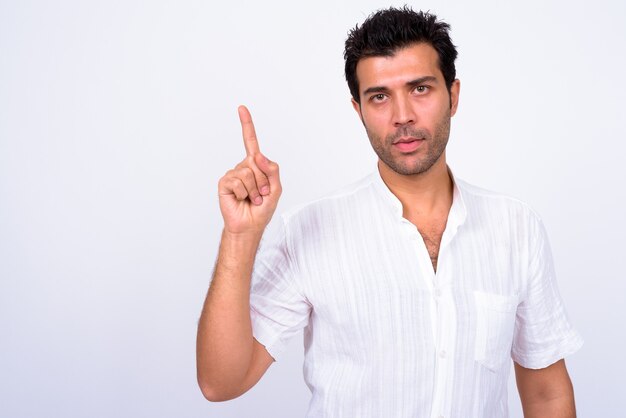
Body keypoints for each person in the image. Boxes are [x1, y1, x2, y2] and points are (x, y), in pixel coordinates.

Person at [196, 6, 583, 417]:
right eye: (379, 96)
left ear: (453, 96)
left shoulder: (515, 227)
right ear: (358, 110)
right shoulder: (308, 230)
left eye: (420, 89)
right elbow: (222, 382)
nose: (402, 116)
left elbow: (546, 393)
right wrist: (240, 237)